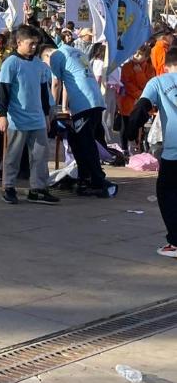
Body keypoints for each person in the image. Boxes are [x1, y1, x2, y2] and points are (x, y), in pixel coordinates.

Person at [41, 40, 115, 197]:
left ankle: (97, 180)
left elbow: (56, 84)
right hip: (95, 101)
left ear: (46, 55)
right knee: (75, 139)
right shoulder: (76, 52)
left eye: (45, 64)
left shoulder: (56, 55)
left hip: (84, 103)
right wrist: (64, 106)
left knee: (85, 142)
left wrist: (52, 109)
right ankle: (84, 176)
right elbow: (69, 83)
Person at [0, 26, 58, 205]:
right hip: (18, 118)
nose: (34, 47)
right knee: (13, 155)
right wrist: (2, 115)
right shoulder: (11, 63)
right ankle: (8, 187)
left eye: (36, 44)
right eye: (30, 43)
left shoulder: (39, 64)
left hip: (37, 118)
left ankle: (38, 189)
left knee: (40, 155)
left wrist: (46, 114)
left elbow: (43, 91)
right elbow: (3, 90)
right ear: (19, 42)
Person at [126, 46, 177, 258]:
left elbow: (142, 106)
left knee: (168, 193)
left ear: (166, 65)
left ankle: (175, 242)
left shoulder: (158, 82)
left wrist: (131, 131)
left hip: (174, 151)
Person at [119, 46, 155, 153]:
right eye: (134, 53)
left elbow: (148, 85)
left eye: (139, 54)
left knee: (139, 126)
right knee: (125, 126)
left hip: (141, 103)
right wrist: (140, 95)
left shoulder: (150, 68)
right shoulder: (126, 67)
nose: (135, 56)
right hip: (128, 101)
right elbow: (127, 84)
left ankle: (137, 147)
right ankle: (124, 149)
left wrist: (139, 73)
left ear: (146, 57)